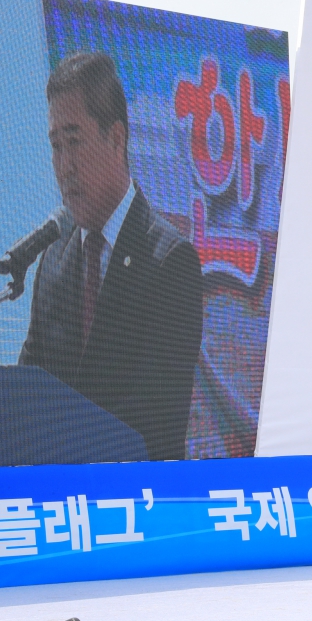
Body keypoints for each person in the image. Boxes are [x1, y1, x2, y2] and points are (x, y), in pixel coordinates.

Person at [19, 52, 203, 461]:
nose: (64, 166)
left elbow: (154, 428)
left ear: (116, 139)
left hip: (137, 510)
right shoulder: (53, 261)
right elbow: (24, 399)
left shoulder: (170, 262)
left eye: (74, 141)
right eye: (55, 146)